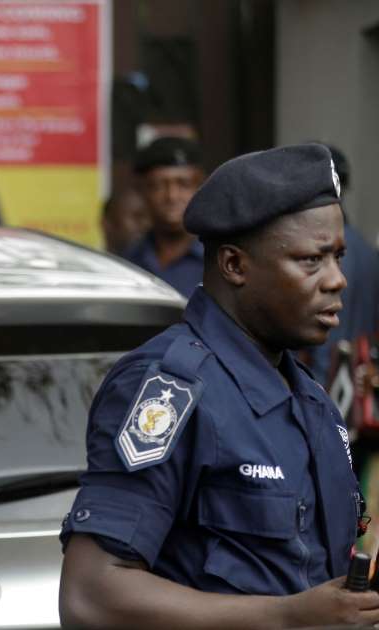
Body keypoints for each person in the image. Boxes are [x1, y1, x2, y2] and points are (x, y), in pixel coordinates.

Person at [58, 143, 379, 627]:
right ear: (234, 265)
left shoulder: (312, 400)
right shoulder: (171, 390)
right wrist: (290, 617)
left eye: (338, 257)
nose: (337, 280)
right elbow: (91, 595)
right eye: (311, 261)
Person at [306, 144, 379, 386]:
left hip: (325, 390)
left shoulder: (315, 254)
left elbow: (324, 349)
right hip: (359, 389)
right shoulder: (367, 251)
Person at [122, 136, 206, 298]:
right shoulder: (128, 263)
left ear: (200, 187)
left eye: (183, 184)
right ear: (143, 190)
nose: (172, 196)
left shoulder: (221, 263)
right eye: (159, 185)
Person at [101, 187, 150, 256]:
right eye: (136, 217)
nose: (145, 224)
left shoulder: (151, 264)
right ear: (107, 224)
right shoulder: (89, 262)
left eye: (147, 218)